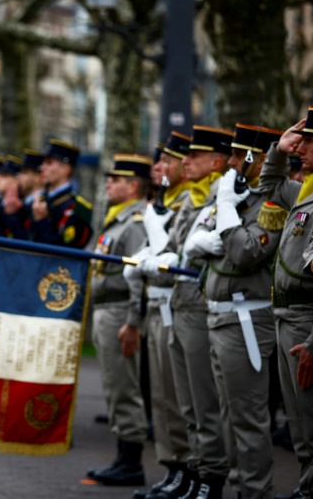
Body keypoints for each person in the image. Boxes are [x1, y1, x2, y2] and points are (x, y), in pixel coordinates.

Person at [187, 124, 284, 499]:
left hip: (245, 319)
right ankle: (238, 486)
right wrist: (226, 218)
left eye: (237, 155)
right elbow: (197, 243)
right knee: (228, 414)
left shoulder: (269, 204)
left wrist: (226, 208)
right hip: (219, 314)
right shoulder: (239, 196)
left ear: (256, 159)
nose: (229, 162)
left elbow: (244, 252)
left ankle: (255, 491)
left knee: (248, 419)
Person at [140, 125, 234, 498]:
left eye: (192, 157)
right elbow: (177, 249)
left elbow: (194, 250)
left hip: (196, 304)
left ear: (216, 161)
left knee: (202, 402)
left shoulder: (217, 196)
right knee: (184, 402)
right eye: (186, 155)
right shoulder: (194, 198)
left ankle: (209, 476)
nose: (184, 163)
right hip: (179, 304)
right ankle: (192, 470)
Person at [125, 131, 194, 499]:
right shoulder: (165, 199)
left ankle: (189, 469)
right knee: (162, 399)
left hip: (176, 303)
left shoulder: (189, 200)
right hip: (157, 302)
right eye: (159, 161)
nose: (159, 168)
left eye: (167, 161)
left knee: (178, 398)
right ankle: (172, 467)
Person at [258, 107, 313, 499]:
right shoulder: (308, 192)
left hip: (308, 318)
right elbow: (269, 185)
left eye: (310, 142)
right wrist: (278, 151)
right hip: (286, 316)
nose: (302, 147)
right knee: (300, 423)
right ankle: (307, 487)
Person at [86, 154, 151, 487]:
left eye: (116, 179)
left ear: (134, 186)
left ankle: (131, 461)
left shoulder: (135, 222)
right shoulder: (116, 219)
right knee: (114, 386)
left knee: (125, 387)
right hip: (105, 309)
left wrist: (133, 320)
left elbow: (139, 275)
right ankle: (122, 456)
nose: (108, 183)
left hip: (119, 310)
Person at [29, 139, 93, 248]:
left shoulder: (79, 209)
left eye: (49, 163)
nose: (42, 167)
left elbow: (66, 250)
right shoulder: (41, 200)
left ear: (65, 169)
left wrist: (42, 222)